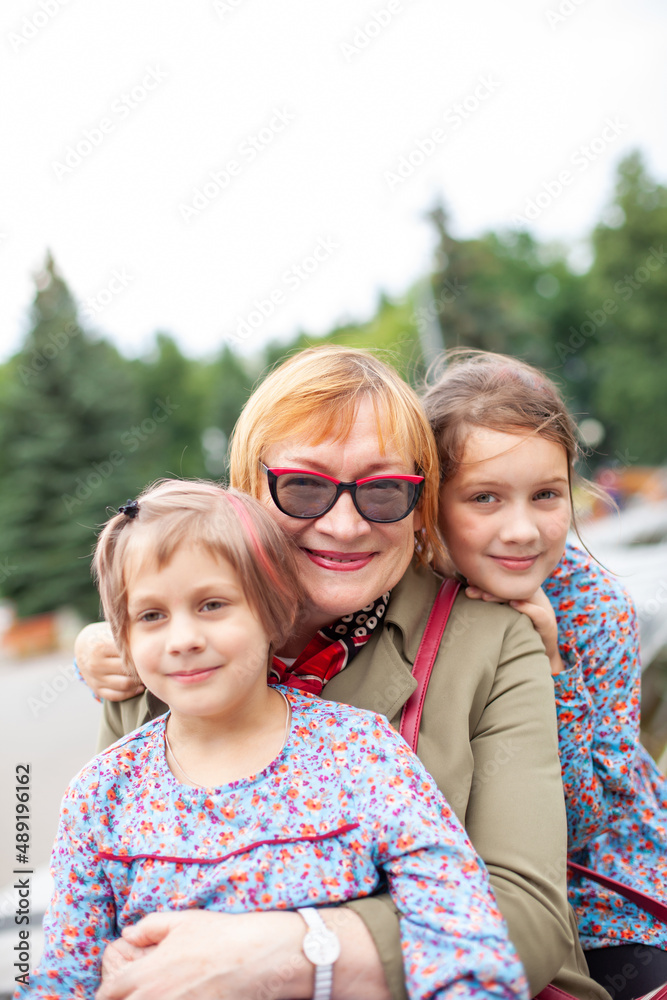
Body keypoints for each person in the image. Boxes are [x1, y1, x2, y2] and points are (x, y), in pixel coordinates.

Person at [74, 346, 606, 1000]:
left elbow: (528, 916)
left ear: (420, 503)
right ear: (246, 488)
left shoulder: (491, 645)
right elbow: (97, 911)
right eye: (304, 486)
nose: (345, 524)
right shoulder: (165, 658)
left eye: (383, 490)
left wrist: (291, 952)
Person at [17, 480, 531, 1000]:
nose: (184, 639)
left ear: (272, 612)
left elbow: (462, 935)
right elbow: (65, 980)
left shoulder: (359, 754)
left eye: (213, 604)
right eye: (152, 616)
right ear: (122, 637)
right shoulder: (101, 796)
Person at [422, 349, 667, 1000]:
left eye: (545, 496)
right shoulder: (407, 594)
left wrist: (549, 670)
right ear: (430, 502)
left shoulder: (593, 611)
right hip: (463, 890)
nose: (522, 529)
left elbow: (583, 821)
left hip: (605, 894)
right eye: (483, 498)